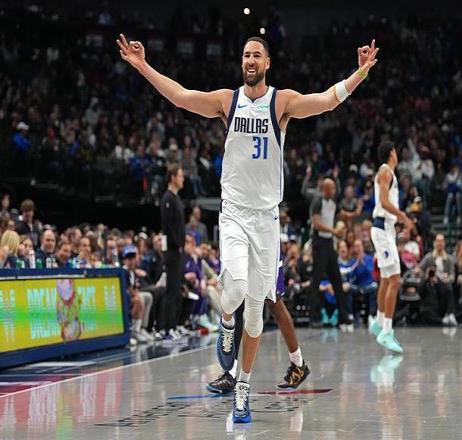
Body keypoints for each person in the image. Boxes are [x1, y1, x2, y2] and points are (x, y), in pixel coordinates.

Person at [118, 32, 378, 423]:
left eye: (256, 55)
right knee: (235, 290)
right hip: (235, 214)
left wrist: (360, 73)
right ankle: (226, 324)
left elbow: (326, 100)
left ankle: (243, 389)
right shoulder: (228, 100)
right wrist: (142, 66)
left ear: (267, 63)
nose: (250, 60)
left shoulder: (281, 102)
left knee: (257, 314)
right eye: (245, 55)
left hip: (267, 220)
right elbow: (181, 96)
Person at [207, 258, 310, 394]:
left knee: (274, 303)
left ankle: (298, 363)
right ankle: (229, 373)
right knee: (236, 301)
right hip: (243, 251)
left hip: (266, 250)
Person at [369, 141, 414, 353]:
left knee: (387, 279)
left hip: (385, 229)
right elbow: (385, 202)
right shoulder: (386, 170)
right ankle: (386, 331)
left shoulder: (387, 172)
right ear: (392, 153)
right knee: (395, 280)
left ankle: (379, 322)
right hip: (382, 229)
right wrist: (404, 217)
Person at [309, 178, 349, 328]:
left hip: (329, 244)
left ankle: (343, 316)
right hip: (319, 243)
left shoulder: (333, 203)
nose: (333, 191)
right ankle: (314, 317)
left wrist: (353, 214)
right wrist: (334, 231)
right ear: (325, 189)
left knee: (337, 279)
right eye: (331, 188)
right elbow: (317, 224)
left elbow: (341, 214)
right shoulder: (317, 202)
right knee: (317, 280)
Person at [158, 165, 186, 338]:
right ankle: (167, 328)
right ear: (173, 178)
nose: (183, 179)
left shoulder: (177, 198)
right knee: (171, 289)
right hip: (172, 251)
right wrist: (178, 244)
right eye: (180, 176)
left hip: (178, 251)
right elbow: (168, 227)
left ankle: (175, 325)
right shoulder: (167, 199)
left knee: (177, 289)